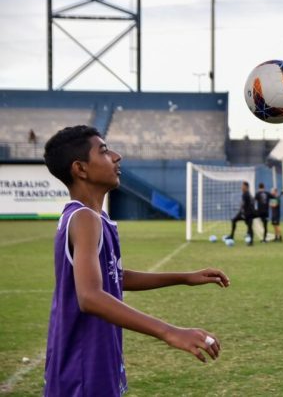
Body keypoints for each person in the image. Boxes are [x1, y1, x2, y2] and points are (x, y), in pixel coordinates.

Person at [42, 125, 230, 396]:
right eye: (104, 151)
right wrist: (169, 331)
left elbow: (115, 277)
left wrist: (185, 277)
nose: (117, 156)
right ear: (80, 169)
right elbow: (90, 296)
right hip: (82, 367)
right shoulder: (84, 219)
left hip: (95, 357)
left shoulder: (96, 219)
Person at [224, 181, 255, 246]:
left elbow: (247, 205)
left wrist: (246, 214)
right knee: (233, 220)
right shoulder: (245, 194)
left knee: (249, 227)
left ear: (246, 187)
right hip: (243, 213)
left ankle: (251, 242)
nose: (241, 187)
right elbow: (243, 204)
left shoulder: (247, 195)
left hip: (248, 214)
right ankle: (232, 236)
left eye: (242, 186)